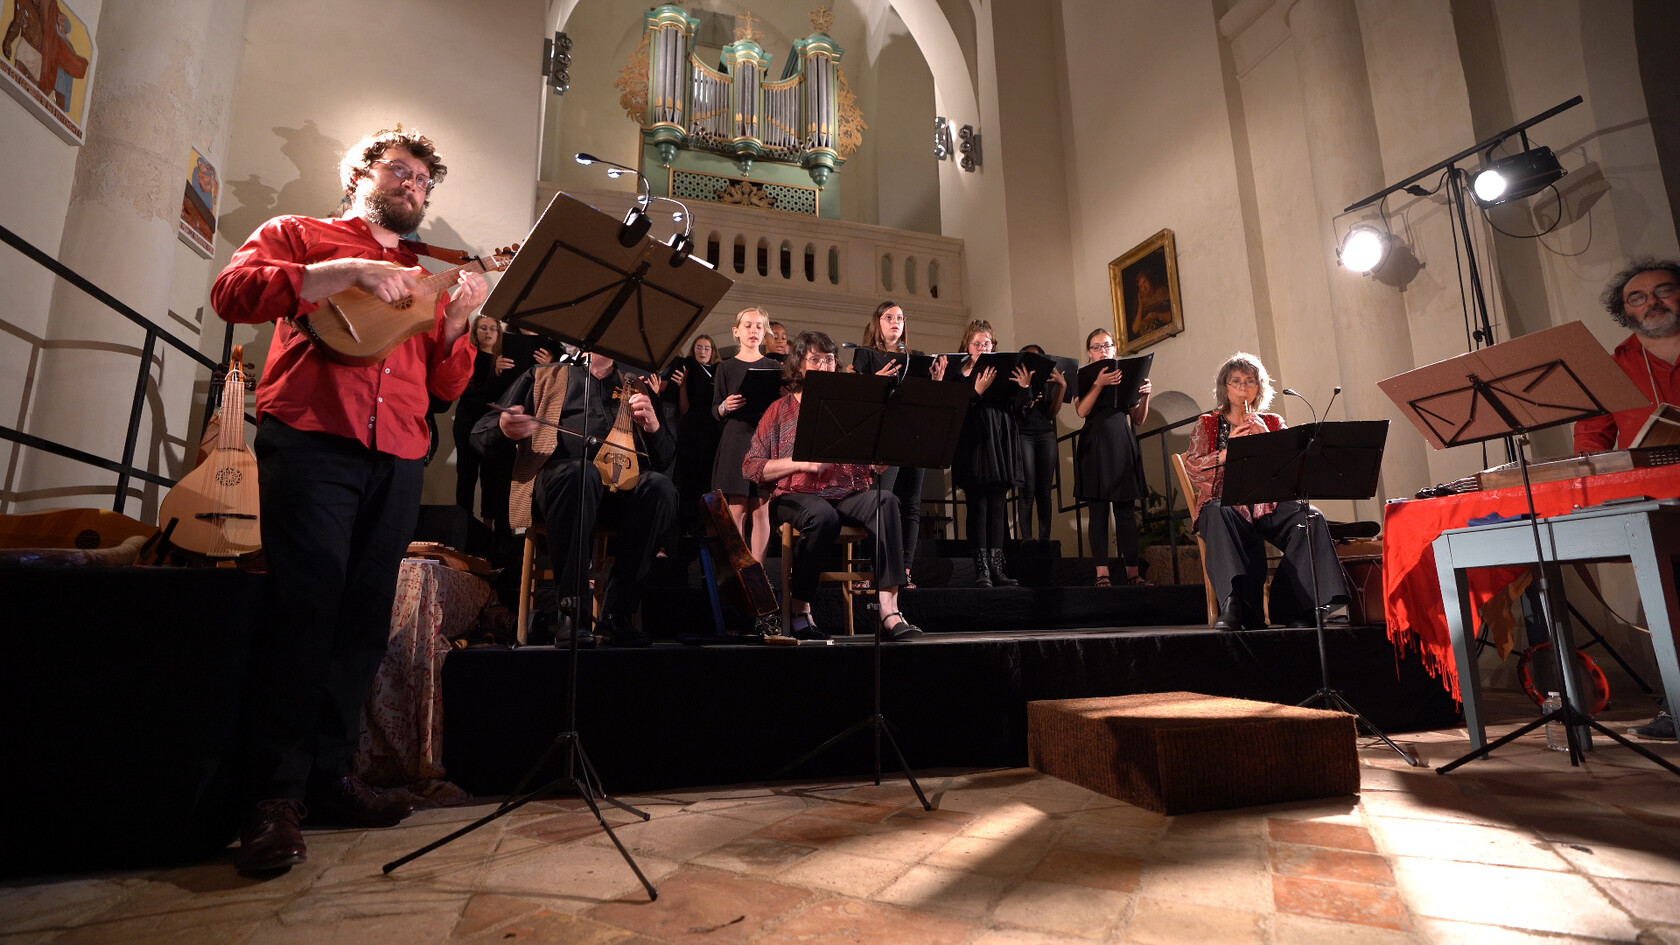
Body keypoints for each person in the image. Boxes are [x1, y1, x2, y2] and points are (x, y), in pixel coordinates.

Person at [211, 128, 487, 874]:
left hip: (397, 452)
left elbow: (445, 387)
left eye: (424, 181)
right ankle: (273, 794)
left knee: (364, 618)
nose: (413, 186)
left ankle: (331, 777)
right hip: (312, 436)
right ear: (360, 174)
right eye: (401, 171)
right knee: (305, 607)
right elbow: (231, 293)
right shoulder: (300, 234)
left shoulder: (426, 275)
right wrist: (345, 270)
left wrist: (455, 326)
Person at [477, 353, 677, 649]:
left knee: (660, 488)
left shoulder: (636, 385)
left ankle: (617, 615)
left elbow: (665, 457)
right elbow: (481, 433)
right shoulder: (543, 375)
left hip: (617, 496)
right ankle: (572, 614)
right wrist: (505, 428)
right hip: (560, 491)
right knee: (581, 473)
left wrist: (653, 427)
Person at [744, 330, 923, 641]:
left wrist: (879, 457)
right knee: (822, 516)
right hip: (795, 494)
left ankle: (889, 610)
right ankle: (800, 608)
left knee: (886, 501)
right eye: (815, 360)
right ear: (799, 364)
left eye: (829, 360)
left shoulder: (848, 407)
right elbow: (751, 466)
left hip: (847, 492)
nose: (824, 366)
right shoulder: (779, 410)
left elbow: (872, 461)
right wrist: (800, 463)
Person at [1576, 259, 1680, 741]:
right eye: (1637, 298)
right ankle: (1677, 706)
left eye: (1664, 290)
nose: (1652, 302)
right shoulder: (1610, 368)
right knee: (1670, 604)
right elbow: (1590, 443)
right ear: (1625, 312)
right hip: (1657, 506)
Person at [1183, 353, 1345, 631]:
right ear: (1225, 388)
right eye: (1236, 382)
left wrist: (1268, 440)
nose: (1243, 389)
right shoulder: (1208, 422)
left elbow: (1292, 469)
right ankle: (1234, 605)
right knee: (1215, 513)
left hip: (1269, 502)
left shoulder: (1272, 421)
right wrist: (1227, 453)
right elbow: (1194, 469)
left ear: (1259, 387)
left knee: (1310, 517)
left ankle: (1296, 607)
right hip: (1226, 502)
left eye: (1250, 381)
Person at [851, 301, 947, 587]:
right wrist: (873, 382)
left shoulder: (915, 358)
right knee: (879, 501)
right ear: (877, 322)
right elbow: (855, 399)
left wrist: (936, 382)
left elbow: (926, 401)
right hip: (883, 436)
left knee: (910, 504)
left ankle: (904, 569)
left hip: (913, 436)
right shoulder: (866, 354)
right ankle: (871, 569)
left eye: (900, 318)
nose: (896, 322)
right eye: (889, 317)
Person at [948, 319, 1032, 587]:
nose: (982, 348)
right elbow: (953, 411)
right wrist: (975, 392)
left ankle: (996, 568)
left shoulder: (1002, 371)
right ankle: (981, 569)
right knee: (978, 506)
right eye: (977, 343)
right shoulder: (957, 373)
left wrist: (1024, 387)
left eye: (987, 344)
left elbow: (1019, 410)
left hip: (1000, 441)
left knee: (998, 506)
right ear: (967, 346)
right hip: (973, 443)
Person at [1074, 329, 1151, 585]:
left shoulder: (1124, 374)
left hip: (1121, 442)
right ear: (1089, 352)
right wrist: (1099, 384)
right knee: (1098, 512)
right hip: (1094, 443)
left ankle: (1132, 574)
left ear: (1114, 348)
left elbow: (1138, 419)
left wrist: (1146, 396)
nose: (1103, 351)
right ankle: (1102, 574)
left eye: (1107, 345)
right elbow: (1082, 411)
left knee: (1125, 512)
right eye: (1097, 347)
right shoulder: (1083, 375)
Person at [712, 308, 778, 564]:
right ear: (736, 331)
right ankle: (739, 570)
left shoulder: (773, 366)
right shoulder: (725, 367)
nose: (754, 331)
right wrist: (724, 406)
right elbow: (715, 408)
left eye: (759, 326)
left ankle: (757, 572)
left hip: (764, 439)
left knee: (761, 509)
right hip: (736, 438)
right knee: (737, 508)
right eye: (748, 325)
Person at [452, 315, 513, 524]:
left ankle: (488, 526)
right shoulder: (468, 356)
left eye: (493, 328)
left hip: (493, 424)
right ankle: (463, 525)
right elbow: (467, 390)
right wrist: (494, 374)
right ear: (475, 333)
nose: (488, 332)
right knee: (466, 474)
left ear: (499, 333)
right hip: (468, 419)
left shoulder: (506, 359)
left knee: (491, 475)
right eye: (483, 328)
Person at [1016, 343, 1066, 544]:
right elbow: (1015, 412)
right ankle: (1027, 539)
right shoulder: (1017, 379)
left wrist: (1062, 387)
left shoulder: (1047, 379)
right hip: (1023, 434)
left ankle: (1045, 539)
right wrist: (1026, 396)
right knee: (1027, 489)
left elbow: (1051, 414)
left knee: (1044, 491)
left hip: (1045, 433)